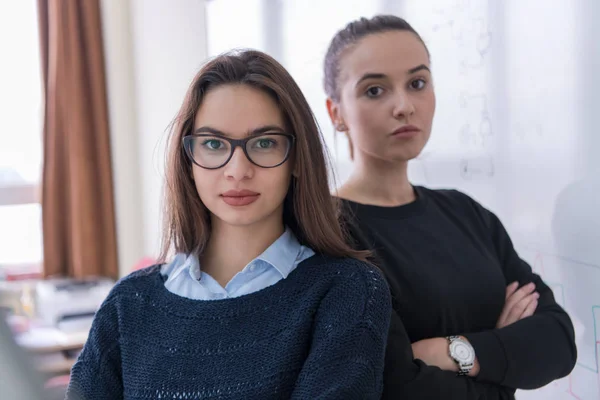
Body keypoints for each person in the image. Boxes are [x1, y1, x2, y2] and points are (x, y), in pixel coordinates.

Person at [66, 49, 391, 400]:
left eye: (264, 143)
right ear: (188, 160)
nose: (237, 170)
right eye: (213, 144)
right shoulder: (127, 304)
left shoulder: (347, 290)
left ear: (297, 159)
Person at [323, 15, 577, 399]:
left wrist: (450, 352)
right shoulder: (328, 230)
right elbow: (396, 388)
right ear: (335, 113)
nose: (404, 106)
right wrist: (502, 358)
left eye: (417, 83)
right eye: (375, 90)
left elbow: (558, 340)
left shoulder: (467, 214)